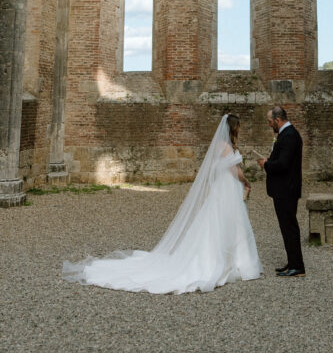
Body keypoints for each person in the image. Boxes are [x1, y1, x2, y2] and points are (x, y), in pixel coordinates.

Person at [63, 114, 262, 294]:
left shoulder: (219, 145)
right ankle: (229, 261)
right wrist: (246, 181)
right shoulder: (227, 147)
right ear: (233, 128)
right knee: (227, 222)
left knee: (215, 223)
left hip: (221, 189)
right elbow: (234, 170)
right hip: (227, 188)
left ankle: (226, 258)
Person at [257, 105, 305, 277]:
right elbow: (285, 159)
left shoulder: (289, 135)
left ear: (278, 120)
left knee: (290, 228)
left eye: (270, 122)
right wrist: (272, 159)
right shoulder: (286, 134)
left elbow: (283, 165)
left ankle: (298, 266)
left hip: (286, 190)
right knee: (286, 228)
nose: (270, 125)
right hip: (284, 189)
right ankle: (292, 262)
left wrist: (266, 165)